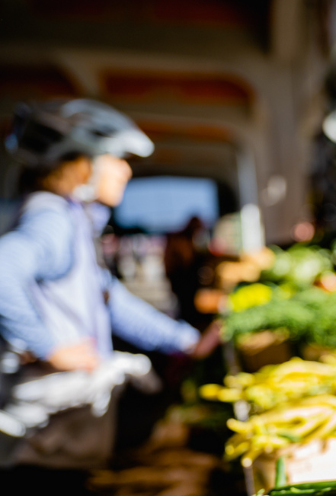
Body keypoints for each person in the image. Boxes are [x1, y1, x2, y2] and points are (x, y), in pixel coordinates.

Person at [0, 100, 218, 459]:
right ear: (84, 165)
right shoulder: (52, 217)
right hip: (52, 420)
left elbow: (110, 300)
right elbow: (5, 269)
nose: (126, 172)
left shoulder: (73, 218)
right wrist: (48, 347)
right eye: (118, 160)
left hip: (70, 414)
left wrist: (185, 341)